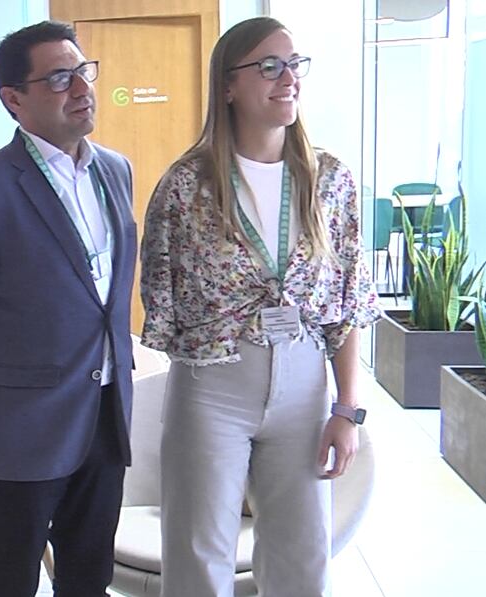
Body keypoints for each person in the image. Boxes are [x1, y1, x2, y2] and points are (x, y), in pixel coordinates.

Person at [140, 17, 377, 597]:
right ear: (228, 85)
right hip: (213, 384)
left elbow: (347, 301)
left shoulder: (330, 180)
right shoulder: (186, 185)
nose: (287, 78)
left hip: (304, 382)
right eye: (269, 66)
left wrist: (347, 410)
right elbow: (159, 293)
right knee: (199, 554)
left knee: (303, 553)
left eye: (294, 64)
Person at [0, 21, 137, 596]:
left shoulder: (115, 171)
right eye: (60, 78)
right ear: (14, 99)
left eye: (83, 72)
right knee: (12, 580)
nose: (81, 88)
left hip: (105, 412)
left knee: (90, 577)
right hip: (19, 425)